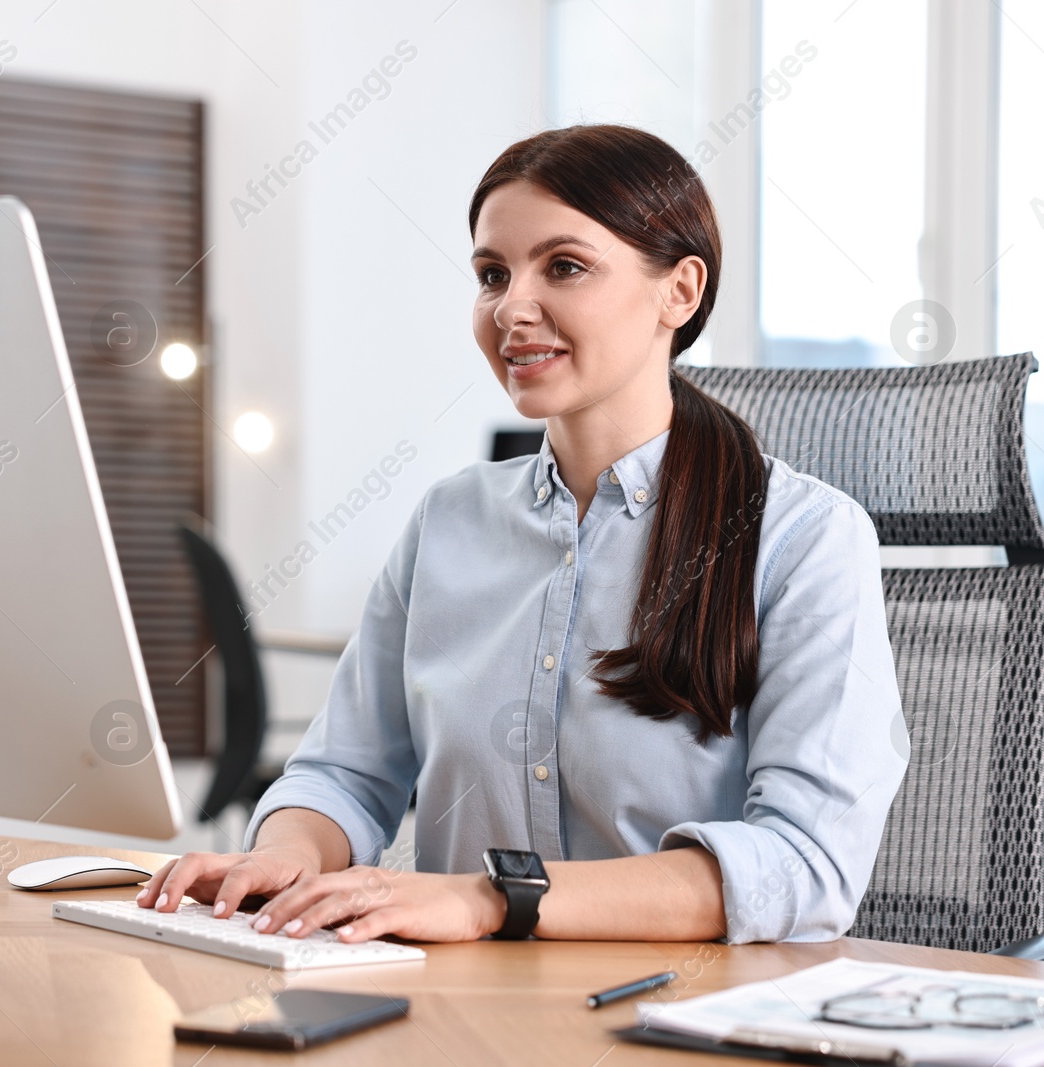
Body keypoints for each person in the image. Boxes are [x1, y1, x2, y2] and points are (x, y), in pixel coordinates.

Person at [138, 124, 908, 945]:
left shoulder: (804, 538)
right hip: (453, 1007)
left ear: (678, 292)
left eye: (564, 267)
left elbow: (804, 866)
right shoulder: (450, 520)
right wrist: (287, 852)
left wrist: (492, 897)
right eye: (492, 274)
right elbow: (344, 773)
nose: (512, 307)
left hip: (679, 1019)